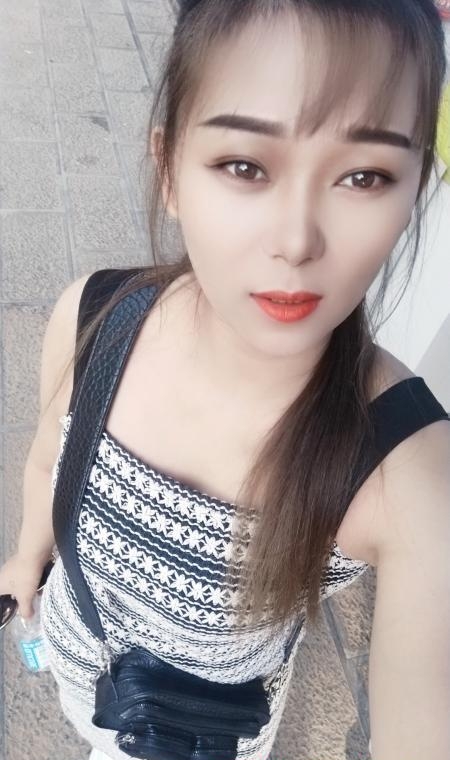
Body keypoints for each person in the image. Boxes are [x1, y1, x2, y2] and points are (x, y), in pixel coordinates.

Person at [0, 1, 449, 759]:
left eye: (364, 175)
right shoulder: (95, 317)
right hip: (82, 678)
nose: (296, 240)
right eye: (245, 166)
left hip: (203, 737)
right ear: (169, 170)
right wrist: (24, 555)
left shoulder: (402, 465)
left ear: (412, 197)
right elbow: (50, 460)